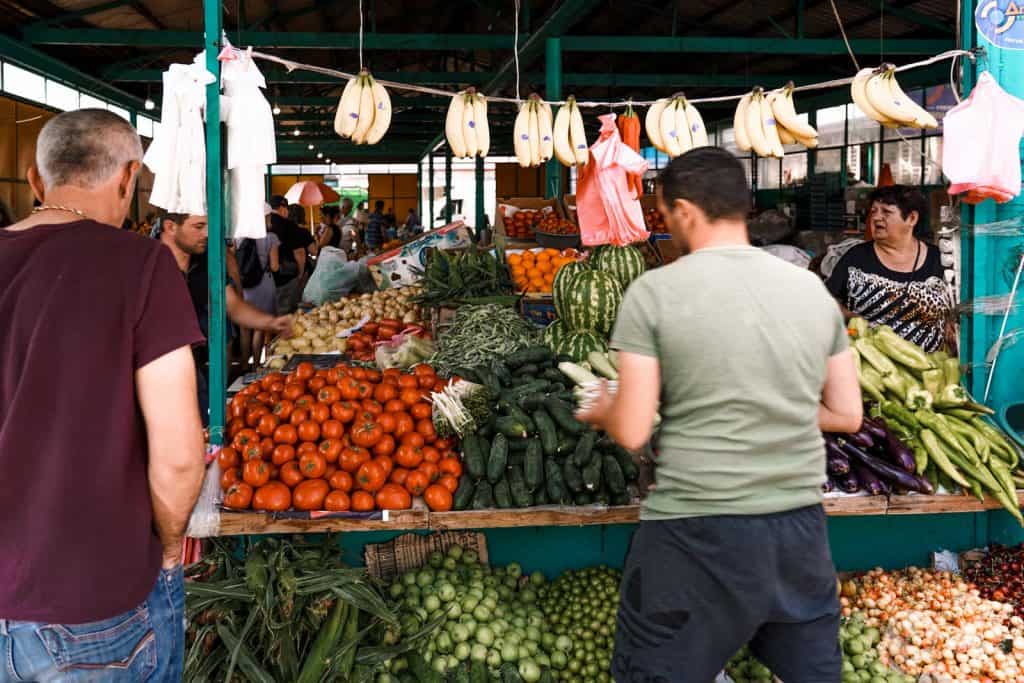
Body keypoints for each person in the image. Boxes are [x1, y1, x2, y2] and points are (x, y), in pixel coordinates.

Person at [576, 147, 862, 683]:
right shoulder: (810, 291)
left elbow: (635, 429)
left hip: (695, 533)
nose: (665, 229)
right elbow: (847, 414)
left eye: (663, 217)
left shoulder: (655, 292)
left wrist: (605, 407)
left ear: (685, 211)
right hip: (796, 533)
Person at [0, 109, 205, 680]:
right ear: (129, 178)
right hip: (91, 604)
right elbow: (181, 454)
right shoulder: (141, 265)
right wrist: (168, 548)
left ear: (35, 180)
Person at [156, 213, 293, 421]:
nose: (207, 233)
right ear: (170, 227)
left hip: (193, 367)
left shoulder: (205, 261)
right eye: (199, 226)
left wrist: (272, 322)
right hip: (155, 375)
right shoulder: (147, 264)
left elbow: (234, 306)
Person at [826, 185, 952, 352]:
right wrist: (850, 317)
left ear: (912, 218)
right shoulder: (856, 257)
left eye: (886, 212)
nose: (876, 218)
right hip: (872, 365)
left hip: (929, 367)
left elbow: (955, 306)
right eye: (873, 211)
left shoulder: (938, 260)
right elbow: (827, 299)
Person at [235, 228, 281, 367]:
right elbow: (274, 266)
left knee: (244, 327)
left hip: (244, 285)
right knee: (259, 327)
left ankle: (244, 364)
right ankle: (255, 364)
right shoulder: (270, 237)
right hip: (263, 284)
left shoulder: (238, 236)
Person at [269, 195, 315, 312]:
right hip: (286, 278)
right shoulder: (289, 225)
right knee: (285, 312)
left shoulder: (262, 225)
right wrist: (300, 274)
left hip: (265, 279)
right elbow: (300, 253)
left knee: (268, 313)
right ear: (282, 208)